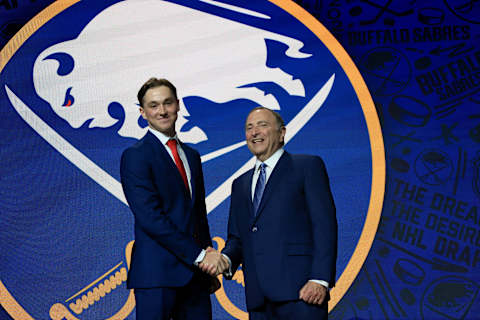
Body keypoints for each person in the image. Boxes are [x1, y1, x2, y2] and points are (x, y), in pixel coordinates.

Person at [201, 107, 337, 319]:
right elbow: (237, 238)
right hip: (259, 299)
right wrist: (225, 259)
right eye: (249, 127)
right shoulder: (240, 184)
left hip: (302, 293)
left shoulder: (307, 167)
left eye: (262, 125)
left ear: (281, 133)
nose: (254, 132)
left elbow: (324, 225)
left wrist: (319, 279)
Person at [120, 77, 221, 320]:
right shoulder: (135, 156)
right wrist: (199, 256)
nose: (162, 111)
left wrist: (208, 253)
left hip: (196, 275)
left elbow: (198, 213)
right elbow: (151, 218)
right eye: (154, 105)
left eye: (167, 103)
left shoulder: (192, 155)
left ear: (178, 105)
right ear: (143, 112)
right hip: (157, 276)